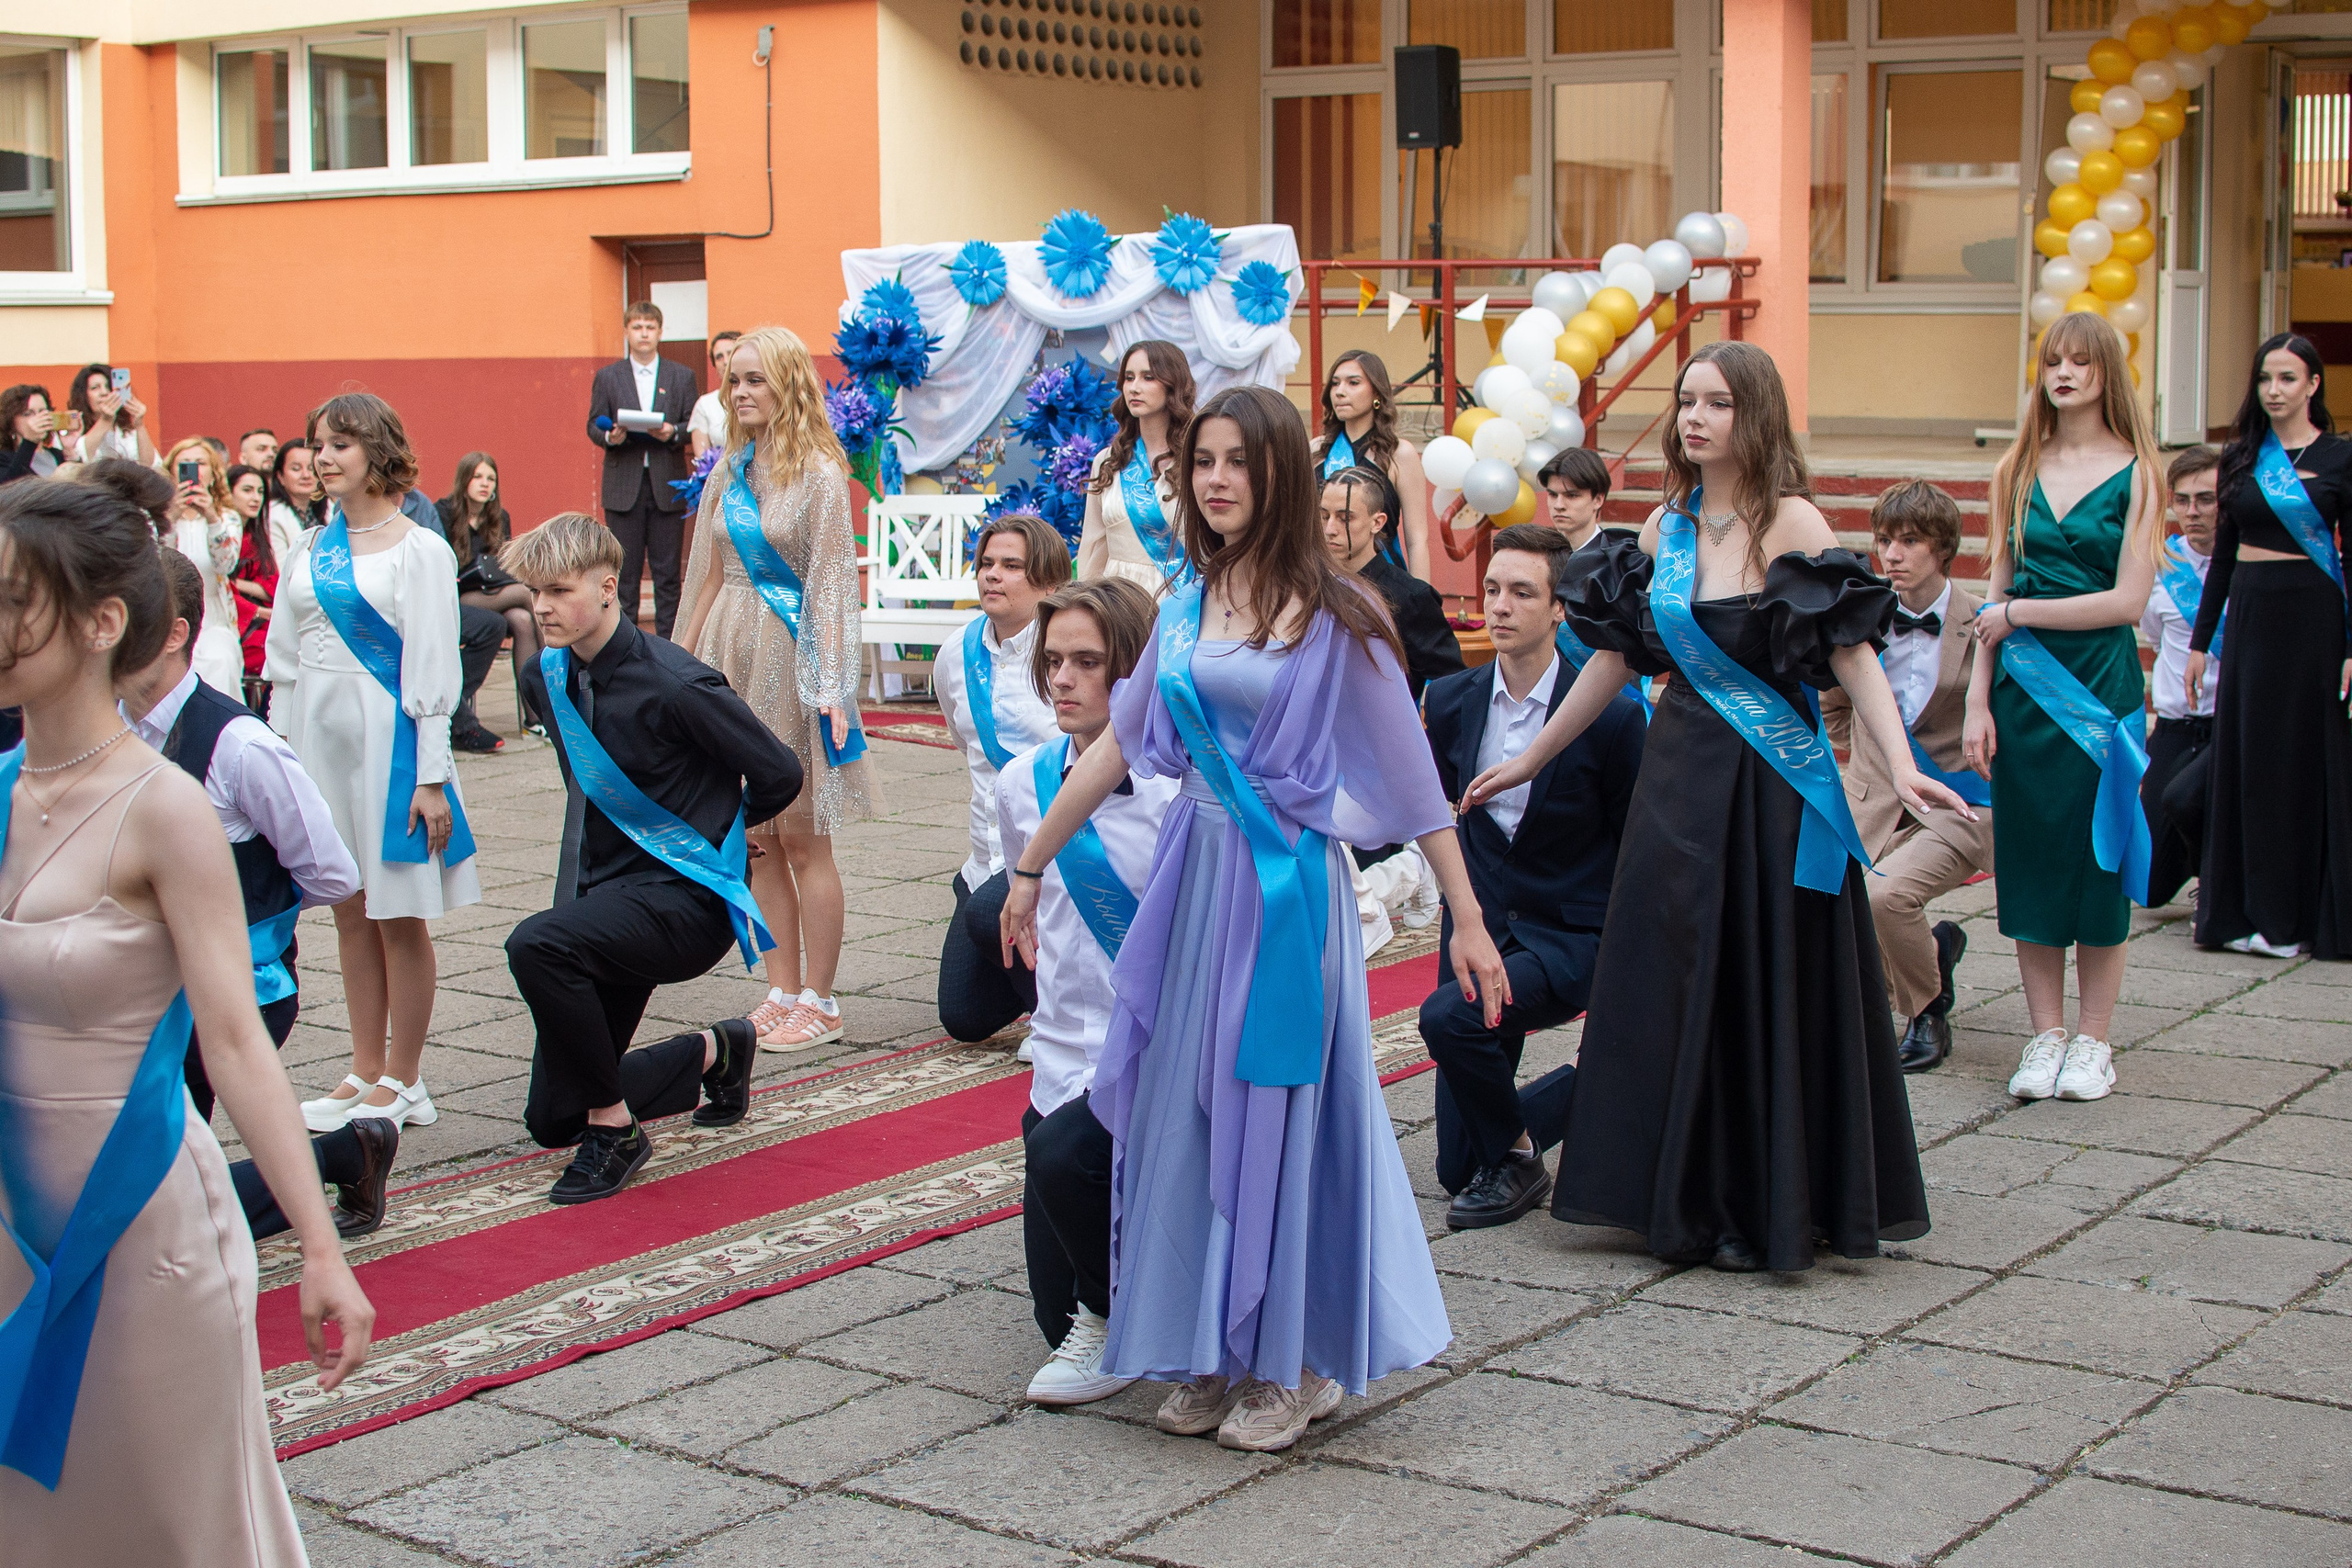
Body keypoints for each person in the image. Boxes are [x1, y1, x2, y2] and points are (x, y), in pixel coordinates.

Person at [1002, 384, 1510, 1453]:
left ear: (1279, 473)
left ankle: (1302, 1359)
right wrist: (1030, 866)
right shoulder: (1184, 598)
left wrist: (1464, 917)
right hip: (1194, 888)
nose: (1216, 479)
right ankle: (1211, 1345)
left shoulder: (1342, 616)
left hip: (1287, 893)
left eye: (1237, 460)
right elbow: (1117, 743)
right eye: (1202, 461)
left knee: (1285, 1118)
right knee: (1183, 1109)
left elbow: (1414, 783)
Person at [1466, 339, 1962, 1273]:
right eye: (1686, 401)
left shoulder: (1793, 522)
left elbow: (1852, 655)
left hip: (1768, 789)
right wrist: (1531, 753)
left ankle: (1756, 1200)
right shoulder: (1665, 531)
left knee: (1756, 979)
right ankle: (1675, 1193)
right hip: (1678, 780)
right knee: (1670, 974)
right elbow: (1615, 658)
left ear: (1755, 415)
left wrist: (1898, 767)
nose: (1695, 418)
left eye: (1718, 403)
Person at [0, 475, 371, 1561]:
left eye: (15, 596)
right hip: (11, 1230)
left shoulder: (164, 806)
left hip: (146, 1232)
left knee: (171, 1521)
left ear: (100, 621)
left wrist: (317, 1247)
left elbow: (235, 1038)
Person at [508, 513, 804, 1201]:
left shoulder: (677, 682)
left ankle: (617, 1132)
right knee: (551, 1119)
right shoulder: (540, 679)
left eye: (557, 589)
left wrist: (724, 833)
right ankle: (716, 1050)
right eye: (533, 593)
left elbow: (779, 772)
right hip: (604, 903)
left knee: (535, 945)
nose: (542, 607)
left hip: (682, 903)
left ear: (609, 585)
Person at [119, 547, 398, 1239]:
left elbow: (331, 872)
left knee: (154, 1204)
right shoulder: (102, 728)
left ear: (175, 633)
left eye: (123, 620)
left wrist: (237, 917)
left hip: (237, 987)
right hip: (129, 985)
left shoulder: (239, 745)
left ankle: (340, 1153)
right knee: (132, 1177)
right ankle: (339, 1152)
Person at [266, 392, 481, 1134]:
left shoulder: (420, 549)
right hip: (317, 743)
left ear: (379, 452)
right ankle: (363, 1068)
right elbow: (284, 665)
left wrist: (430, 778)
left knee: (398, 913)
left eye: (340, 444)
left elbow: (431, 670)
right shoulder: (307, 547)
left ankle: (407, 1077)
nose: (323, 457)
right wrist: (277, 764)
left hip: (391, 750)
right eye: (316, 443)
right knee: (347, 911)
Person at [1418, 523, 1644, 1228]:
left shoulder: (1608, 716)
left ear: (1560, 609)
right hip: (1481, 932)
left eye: (1523, 591)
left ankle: (1539, 1135)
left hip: (1567, 934)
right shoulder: (1451, 700)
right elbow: (1435, 817)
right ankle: (1551, 1123)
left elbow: (1636, 842)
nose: (1501, 606)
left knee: (1447, 1017)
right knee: (1456, 1167)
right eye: (1492, 589)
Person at [1964, 312, 2161, 1103]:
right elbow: (1995, 596)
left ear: (2108, 372)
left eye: (2081, 361)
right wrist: (1978, 698)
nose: (2064, 373)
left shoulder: (2140, 471)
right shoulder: (2016, 466)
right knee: (2035, 862)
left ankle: (2095, 1042)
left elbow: (2128, 600)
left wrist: (2021, 618)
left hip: (2099, 695)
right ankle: (2045, 1035)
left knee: (2099, 863)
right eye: (2053, 360)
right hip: (2020, 697)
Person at [995, 577, 1178, 1405]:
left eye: (1089, 662)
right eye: (1054, 660)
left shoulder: (1181, 795)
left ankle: (1139, 1304)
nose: (1064, 679)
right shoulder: (1019, 786)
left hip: (1155, 1056)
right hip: (1061, 1056)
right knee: (1051, 1315)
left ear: (1133, 672)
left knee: (1067, 1163)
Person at [678, 326, 878, 1050]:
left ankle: (821, 999)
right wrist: (678, 669)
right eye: (734, 381)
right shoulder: (728, 471)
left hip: (793, 659)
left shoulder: (822, 473)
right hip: (729, 655)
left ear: (790, 382)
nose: (741, 393)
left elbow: (829, 586)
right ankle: (780, 987)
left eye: (756, 379)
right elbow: (703, 576)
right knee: (755, 841)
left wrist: (831, 683)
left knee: (801, 839)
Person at [2187, 333, 2352, 960]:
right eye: (2265, 379)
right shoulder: (2242, 456)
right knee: (2249, 761)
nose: (2274, 390)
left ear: (2313, 384)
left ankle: (2295, 917)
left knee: (2299, 763)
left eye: (2287, 378)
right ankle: (2242, 911)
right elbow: (2223, 558)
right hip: (2252, 618)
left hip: (2313, 620)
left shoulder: (2340, 457)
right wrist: (2201, 641)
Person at [1821, 481, 1996, 1074]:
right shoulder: (1860, 616)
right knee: (1836, 908)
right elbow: (1833, 703)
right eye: (1884, 540)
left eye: (1910, 541)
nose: (1892, 554)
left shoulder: (1981, 623)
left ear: (1944, 548)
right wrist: (1867, 760)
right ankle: (1936, 954)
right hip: (1874, 797)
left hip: (1958, 802)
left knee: (1886, 897)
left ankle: (1926, 1009)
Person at [933, 513, 1067, 1044]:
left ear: (1050, 581)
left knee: (992, 910)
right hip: (984, 857)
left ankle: (1060, 1015)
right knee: (963, 1018)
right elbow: (961, 739)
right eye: (987, 563)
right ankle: (1030, 976)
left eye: (1013, 566)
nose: (993, 575)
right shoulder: (954, 653)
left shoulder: (1066, 654)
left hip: (1060, 856)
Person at [2142, 446, 2222, 909]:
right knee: (2149, 888)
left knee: (2188, 798)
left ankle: (2214, 879)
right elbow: (2154, 636)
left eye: (2207, 499)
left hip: (2228, 725)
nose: (2193, 512)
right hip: (2175, 725)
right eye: (2184, 500)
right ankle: (2199, 867)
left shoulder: (2246, 562)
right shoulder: (2160, 566)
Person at [589, 300, 696, 637]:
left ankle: (669, 648)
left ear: (661, 333)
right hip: (624, 485)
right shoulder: (608, 376)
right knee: (624, 573)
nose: (644, 334)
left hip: (667, 484)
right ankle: (623, 644)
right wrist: (611, 435)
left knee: (667, 575)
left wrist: (672, 432)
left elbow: (692, 424)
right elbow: (593, 423)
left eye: (650, 328)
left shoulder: (681, 375)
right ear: (627, 333)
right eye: (637, 327)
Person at [1321, 465, 1463, 700]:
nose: (1329, 529)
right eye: (1324, 515)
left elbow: (1453, 683)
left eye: (1345, 518)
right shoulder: (1307, 586)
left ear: (1377, 523)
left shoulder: (1410, 597)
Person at [440, 451, 546, 735]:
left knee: (523, 621)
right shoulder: (444, 512)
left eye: (491, 479)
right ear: (464, 480)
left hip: (495, 594)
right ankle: (555, 668)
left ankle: (534, 718)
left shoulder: (499, 517)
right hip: (458, 597)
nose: (485, 484)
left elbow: (504, 567)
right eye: (478, 477)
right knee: (526, 594)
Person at [1079, 339, 1195, 592]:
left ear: (1173, 385)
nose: (1134, 387)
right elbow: (1093, 544)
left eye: (1148, 377)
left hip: (1179, 598)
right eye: (1129, 378)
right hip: (1118, 603)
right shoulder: (1108, 461)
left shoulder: (1196, 460)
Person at [1314, 351, 1431, 581]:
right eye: (1335, 383)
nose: (1340, 391)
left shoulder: (1400, 454)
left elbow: (1417, 540)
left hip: (1384, 582)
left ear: (1376, 392)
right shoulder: (1315, 452)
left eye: (1353, 383)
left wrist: (1423, 600)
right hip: (1323, 580)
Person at [160, 435, 247, 695]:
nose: (193, 468)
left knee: (220, 664)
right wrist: (171, 518)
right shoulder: (159, 517)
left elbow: (226, 565)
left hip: (213, 617)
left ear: (212, 472)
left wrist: (211, 517)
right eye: (184, 463)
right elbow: (152, 559)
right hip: (166, 614)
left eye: (200, 463)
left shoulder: (226, 517)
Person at [225, 463, 277, 708]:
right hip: (235, 622)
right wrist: (259, 611)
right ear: (228, 492)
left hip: (257, 618)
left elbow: (271, 585)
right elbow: (219, 588)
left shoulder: (255, 537)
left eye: (260, 492)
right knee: (276, 648)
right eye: (247, 490)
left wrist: (238, 584)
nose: (255, 498)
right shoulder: (221, 534)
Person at [65, 362, 155, 468]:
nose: (104, 392)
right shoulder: (73, 430)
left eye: (108, 387)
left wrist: (140, 425)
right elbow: (83, 455)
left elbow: (148, 466)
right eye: (95, 388)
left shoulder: (128, 430)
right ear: (83, 396)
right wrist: (105, 420)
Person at [1538, 446, 1612, 551]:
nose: (1559, 505)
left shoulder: (1617, 559)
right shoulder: (1538, 555)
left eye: (1571, 495)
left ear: (1598, 500)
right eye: (1553, 495)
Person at [688, 329, 744, 462]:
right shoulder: (705, 404)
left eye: (730, 353)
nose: (725, 361)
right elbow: (703, 462)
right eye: (719, 357)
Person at [268, 437, 326, 558]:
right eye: (296, 469)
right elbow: (282, 568)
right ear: (280, 477)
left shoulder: (329, 510)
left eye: (311, 468)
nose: (306, 475)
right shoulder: (273, 515)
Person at [0, 384, 62, 484]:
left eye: (42, 412)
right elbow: (9, 488)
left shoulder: (57, 454)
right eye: (28, 414)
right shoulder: (3, 459)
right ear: (11, 422)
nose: (39, 418)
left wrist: (71, 451)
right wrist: (30, 442)